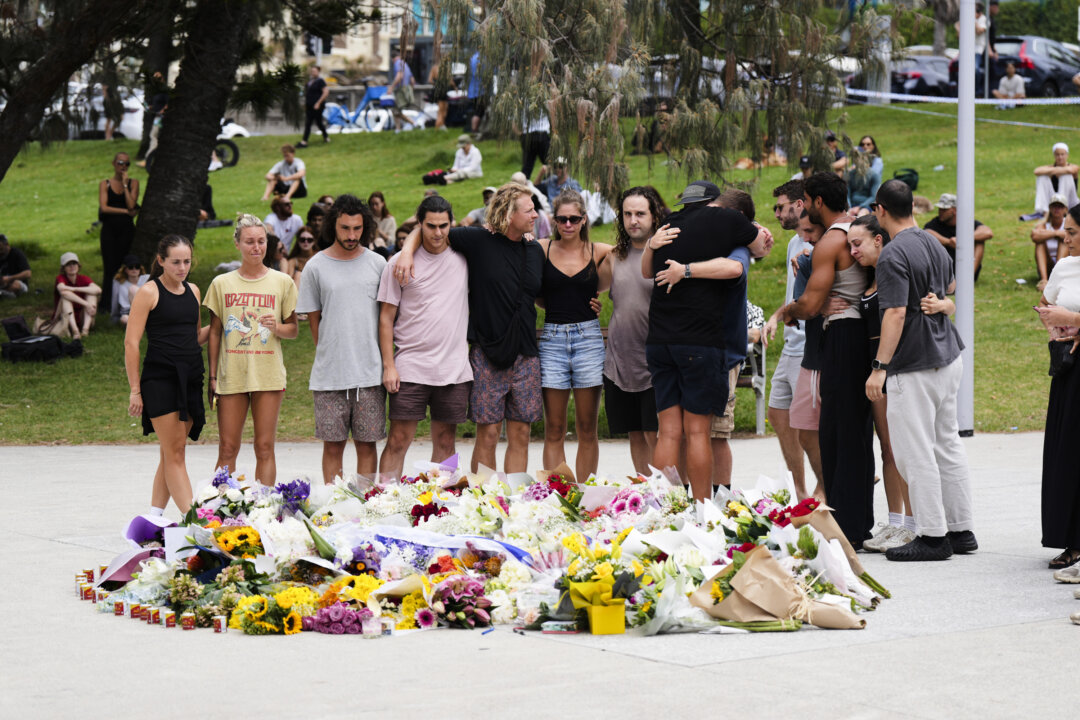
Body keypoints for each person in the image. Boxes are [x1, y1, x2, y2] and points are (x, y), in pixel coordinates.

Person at [396, 183, 543, 474]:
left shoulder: (535, 250)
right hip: (487, 355)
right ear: (509, 214)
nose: (536, 215)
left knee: (521, 435)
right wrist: (405, 252)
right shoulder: (477, 240)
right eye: (529, 210)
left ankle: (513, 503)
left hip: (526, 355)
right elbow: (431, 230)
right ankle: (484, 502)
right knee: (487, 435)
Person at [868, 179, 975, 562]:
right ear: (912, 205)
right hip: (948, 356)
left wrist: (879, 367)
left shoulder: (893, 254)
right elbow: (947, 287)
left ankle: (932, 537)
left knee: (916, 452)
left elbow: (894, 312)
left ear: (880, 210)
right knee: (948, 443)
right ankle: (962, 530)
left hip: (914, 364)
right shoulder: (932, 240)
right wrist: (943, 305)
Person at [641, 180, 760, 500]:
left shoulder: (666, 224)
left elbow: (646, 272)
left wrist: (653, 245)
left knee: (668, 432)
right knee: (697, 433)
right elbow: (759, 243)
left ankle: (665, 508)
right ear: (714, 200)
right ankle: (701, 508)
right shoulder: (726, 220)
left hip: (659, 340)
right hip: (700, 342)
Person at [779, 171, 875, 548]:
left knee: (839, 433)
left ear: (818, 202)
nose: (803, 208)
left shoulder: (831, 242)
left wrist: (791, 309)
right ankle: (856, 520)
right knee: (851, 432)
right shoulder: (857, 229)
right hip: (858, 336)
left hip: (842, 337)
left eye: (804, 201)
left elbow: (811, 304)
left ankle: (848, 525)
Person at [377, 196, 471, 478]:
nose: (438, 232)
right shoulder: (399, 263)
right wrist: (389, 365)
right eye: (430, 226)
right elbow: (385, 317)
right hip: (411, 367)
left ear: (451, 224)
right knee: (397, 441)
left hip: (453, 368)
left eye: (444, 225)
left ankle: (440, 506)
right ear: (420, 224)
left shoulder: (465, 256)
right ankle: (384, 503)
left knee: (445, 441)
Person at [296, 195, 387, 482]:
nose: (351, 235)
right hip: (329, 376)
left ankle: (366, 504)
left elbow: (387, 318)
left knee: (367, 444)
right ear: (334, 226)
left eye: (357, 229)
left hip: (370, 374)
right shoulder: (315, 266)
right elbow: (314, 323)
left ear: (366, 227)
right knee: (332, 446)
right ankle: (335, 506)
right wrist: (332, 354)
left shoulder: (378, 264)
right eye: (345, 228)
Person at [845, 215, 921, 553]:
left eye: (857, 243)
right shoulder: (868, 275)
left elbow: (924, 304)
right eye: (849, 244)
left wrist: (946, 303)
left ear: (879, 239)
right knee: (887, 447)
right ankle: (895, 522)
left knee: (903, 448)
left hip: (893, 367)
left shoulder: (895, 269)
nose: (852, 250)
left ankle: (914, 524)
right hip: (872, 371)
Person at [204, 214, 298, 486]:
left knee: (265, 447)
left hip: (267, 376)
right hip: (231, 375)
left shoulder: (283, 282)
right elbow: (215, 332)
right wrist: (212, 377)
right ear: (237, 244)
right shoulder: (222, 283)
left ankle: (264, 509)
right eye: (249, 242)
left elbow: (293, 330)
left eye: (261, 241)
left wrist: (277, 327)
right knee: (227, 448)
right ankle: (220, 508)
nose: (256, 247)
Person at [124, 234, 208, 515]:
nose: (182, 267)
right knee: (175, 452)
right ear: (161, 261)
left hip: (191, 378)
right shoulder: (149, 292)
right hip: (160, 379)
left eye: (187, 261)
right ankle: (194, 520)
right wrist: (135, 390)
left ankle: (154, 518)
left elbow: (194, 336)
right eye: (175, 262)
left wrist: (223, 324)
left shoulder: (194, 291)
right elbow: (131, 343)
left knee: (170, 451)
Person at [537, 189, 612, 481]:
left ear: (583, 220)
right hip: (553, 339)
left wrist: (599, 298)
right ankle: (559, 496)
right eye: (562, 219)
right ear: (554, 221)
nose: (568, 225)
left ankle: (585, 494)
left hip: (588, 340)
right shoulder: (541, 249)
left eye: (574, 219)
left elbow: (630, 252)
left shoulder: (598, 251)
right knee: (554, 427)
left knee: (587, 428)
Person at [605, 186, 667, 473]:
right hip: (620, 361)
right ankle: (643, 495)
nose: (633, 220)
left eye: (640, 214)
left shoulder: (667, 255)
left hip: (657, 362)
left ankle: (668, 496)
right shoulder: (613, 256)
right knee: (635, 433)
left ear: (654, 216)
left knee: (656, 434)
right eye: (627, 214)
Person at [763, 180, 816, 500]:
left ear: (800, 205)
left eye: (781, 207)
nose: (778, 214)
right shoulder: (793, 244)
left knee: (810, 426)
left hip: (809, 344)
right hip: (791, 342)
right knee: (778, 413)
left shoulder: (815, 243)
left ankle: (827, 484)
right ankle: (800, 491)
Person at [1037, 202, 1080, 570]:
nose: (1064, 238)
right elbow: (1045, 304)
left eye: (1072, 232)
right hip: (1069, 366)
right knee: (1065, 450)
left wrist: (1077, 320)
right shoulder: (1065, 266)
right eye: (1064, 231)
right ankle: (1069, 538)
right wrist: (1056, 328)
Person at [788, 211, 828, 500]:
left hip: (827, 353)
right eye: (802, 231)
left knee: (826, 429)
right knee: (803, 429)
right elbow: (800, 306)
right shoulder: (806, 257)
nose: (805, 237)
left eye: (810, 231)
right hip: (810, 353)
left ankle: (826, 490)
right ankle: (823, 486)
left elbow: (808, 307)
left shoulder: (834, 250)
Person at [98, 152, 139, 312]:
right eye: (120, 163)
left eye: (127, 164)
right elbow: (104, 207)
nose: (123, 166)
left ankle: (125, 302)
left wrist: (125, 185)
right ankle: (107, 304)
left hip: (126, 230)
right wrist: (125, 212)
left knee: (125, 265)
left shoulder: (133, 183)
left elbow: (131, 204)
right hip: (109, 229)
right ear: (114, 163)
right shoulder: (105, 184)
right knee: (109, 266)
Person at [922, 192, 993, 282]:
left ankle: (969, 277)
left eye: (944, 209)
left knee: (979, 242)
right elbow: (926, 233)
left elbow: (988, 232)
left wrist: (963, 239)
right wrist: (948, 242)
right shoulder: (935, 223)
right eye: (940, 209)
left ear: (954, 210)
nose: (940, 212)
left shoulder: (966, 222)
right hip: (946, 269)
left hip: (964, 264)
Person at [1023, 143, 1079, 222]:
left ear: (1067, 155)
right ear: (1054, 156)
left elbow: (1071, 170)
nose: (1060, 157)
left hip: (1071, 201)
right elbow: (1037, 171)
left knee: (1066, 175)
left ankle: (1062, 209)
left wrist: (1054, 170)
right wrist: (1057, 169)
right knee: (1042, 177)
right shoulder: (1050, 167)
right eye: (1057, 155)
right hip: (1054, 199)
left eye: (1062, 154)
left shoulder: (1073, 167)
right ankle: (1043, 211)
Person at [51, 252, 101, 339]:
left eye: (74, 263)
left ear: (78, 265)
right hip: (65, 319)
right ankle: (75, 331)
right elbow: (63, 291)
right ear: (63, 268)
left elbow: (98, 290)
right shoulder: (60, 278)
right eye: (68, 265)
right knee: (65, 298)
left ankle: (85, 330)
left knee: (92, 295)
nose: (72, 267)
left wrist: (74, 289)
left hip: (84, 316)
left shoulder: (83, 278)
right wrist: (86, 304)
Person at [1032, 194, 1072, 291]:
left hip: (1065, 266)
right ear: (1050, 208)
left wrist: (1050, 234)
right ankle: (1044, 280)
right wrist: (1057, 233)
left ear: (1065, 209)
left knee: (1064, 242)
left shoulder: (1070, 223)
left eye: (1060, 206)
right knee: (1040, 243)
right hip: (1048, 265)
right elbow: (1035, 236)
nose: (1057, 209)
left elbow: (1072, 236)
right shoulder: (1043, 225)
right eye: (1054, 206)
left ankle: (1057, 278)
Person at [847, 136, 883, 211]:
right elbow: (848, 194)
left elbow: (873, 196)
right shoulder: (851, 174)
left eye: (868, 144)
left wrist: (860, 207)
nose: (865, 146)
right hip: (853, 205)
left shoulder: (875, 169)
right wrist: (849, 207)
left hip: (867, 203)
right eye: (863, 144)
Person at [298, 64, 330, 148]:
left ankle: (305, 141)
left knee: (313, 122)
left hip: (317, 106)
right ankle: (325, 137)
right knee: (314, 122)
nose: (313, 73)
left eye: (314, 71)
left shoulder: (320, 81)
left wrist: (318, 103)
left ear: (318, 72)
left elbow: (326, 92)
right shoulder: (310, 81)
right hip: (309, 105)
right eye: (312, 71)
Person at [113, 254, 148, 326]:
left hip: (147, 310)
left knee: (134, 289)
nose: (134, 269)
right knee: (124, 319)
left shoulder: (147, 278)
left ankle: (142, 324)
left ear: (140, 268)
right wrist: (114, 316)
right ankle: (141, 325)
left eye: (137, 267)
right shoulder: (119, 283)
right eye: (131, 267)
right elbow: (114, 300)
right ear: (125, 269)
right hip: (129, 312)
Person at [388, 50, 416, 132]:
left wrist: (391, 87)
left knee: (396, 110)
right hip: (407, 89)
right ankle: (398, 129)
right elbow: (412, 80)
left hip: (401, 90)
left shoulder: (397, 63)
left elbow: (399, 76)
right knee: (396, 110)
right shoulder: (405, 64)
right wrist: (410, 90)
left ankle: (413, 123)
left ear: (393, 59)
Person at [520, 112, 551, 180]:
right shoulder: (544, 101)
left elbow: (514, 120)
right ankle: (548, 186)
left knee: (527, 165)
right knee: (549, 163)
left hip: (527, 135)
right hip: (542, 134)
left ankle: (521, 186)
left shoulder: (520, 101)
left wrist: (520, 134)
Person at [286, 226, 318, 291]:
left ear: (314, 241)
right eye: (302, 240)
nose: (306, 242)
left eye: (309, 240)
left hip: (317, 290)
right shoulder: (293, 261)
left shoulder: (320, 257)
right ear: (298, 241)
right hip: (299, 292)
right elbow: (288, 281)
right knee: (298, 275)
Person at [428, 58, 456, 131]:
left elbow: (430, 80)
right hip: (444, 90)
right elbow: (450, 81)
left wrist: (436, 84)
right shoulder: (445, 69)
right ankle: (437, 126)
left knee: (443, 108)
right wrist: (455, 87)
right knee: (442, 109)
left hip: (437, 90)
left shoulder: (434, 68)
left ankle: (442, 124)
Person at [0, 233, 31, 299]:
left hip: (15, 282)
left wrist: (9, 278)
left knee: (15, 285)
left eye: (1, 249)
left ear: (7, 245)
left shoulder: (16, 254)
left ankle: (4, 294)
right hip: (2, 284)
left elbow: (28, 274)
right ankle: (4, 294)